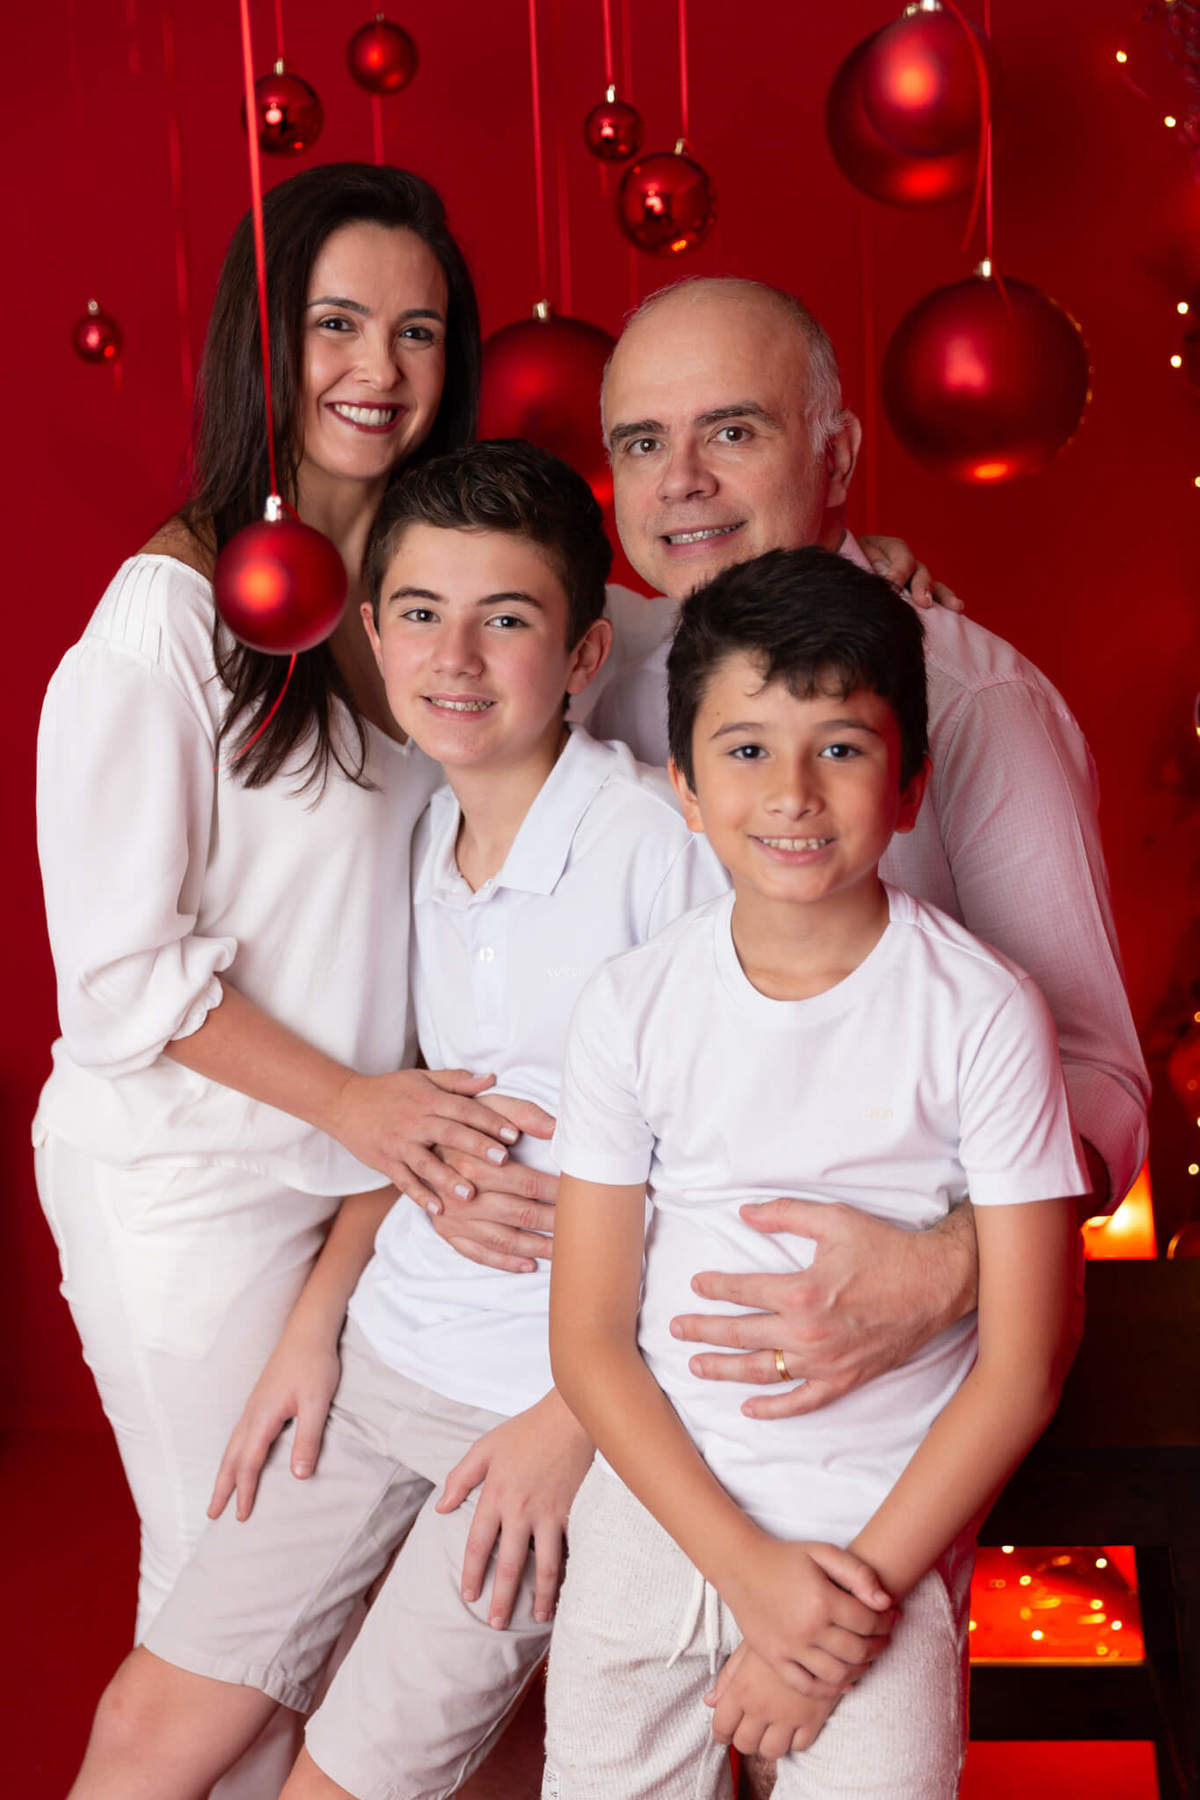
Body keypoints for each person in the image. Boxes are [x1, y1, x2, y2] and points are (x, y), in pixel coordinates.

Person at [64, 440, 729, 1800]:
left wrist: (575, 1423)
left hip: (538, 1407)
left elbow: (731, 1173)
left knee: (340, 1782)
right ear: (371, 634)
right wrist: (313, 1329)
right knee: (145, 1723)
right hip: (384, 1356)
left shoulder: (659, 850)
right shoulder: (425, 834)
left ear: (585, 653)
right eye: (421, 614)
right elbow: (417, 1108)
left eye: (508, 621)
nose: (456, 659)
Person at [34, 165, 548, 1799]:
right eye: (336, 324)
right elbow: (120, 971)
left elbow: (607, 641)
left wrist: (858, 572)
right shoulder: (167, 616)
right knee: (230, 1622)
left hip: (364, 1186)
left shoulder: (424, 598)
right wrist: (358, 1109)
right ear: (263, 345)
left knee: (323, 1633)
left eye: (419, 331)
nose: (378, 369)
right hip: (187, 1183)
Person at [442, 273, 1147, 1432]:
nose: (682, 481)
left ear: (837, 455)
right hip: (578, 1337)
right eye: (642, 442)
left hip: (873, 1375)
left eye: (733, 431)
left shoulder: (974, 704)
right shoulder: (596, 670)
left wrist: (949, 1266)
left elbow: (1099, 1080)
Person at [544, 546, 1089, 1797]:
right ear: (685, 787)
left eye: (840, 747)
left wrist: (838, 1619)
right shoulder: (631, 1006)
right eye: (746, 750)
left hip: (875, 1548)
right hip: (660, 1518)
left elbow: (1026, 1361)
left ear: (910, 787)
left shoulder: (983, 1011)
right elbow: (588, 1340)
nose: (792, 792)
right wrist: (745, 1574)